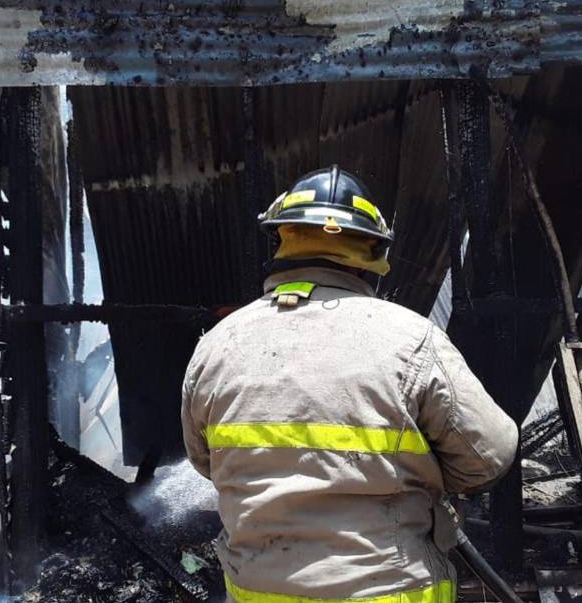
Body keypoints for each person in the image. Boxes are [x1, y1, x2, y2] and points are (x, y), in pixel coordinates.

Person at [181, 165, 519, 602]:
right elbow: (488, 457)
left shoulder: (218, 345)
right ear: (373, 253)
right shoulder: (410, 338)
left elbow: (205, 461)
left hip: (256, 592)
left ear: (280, 241)